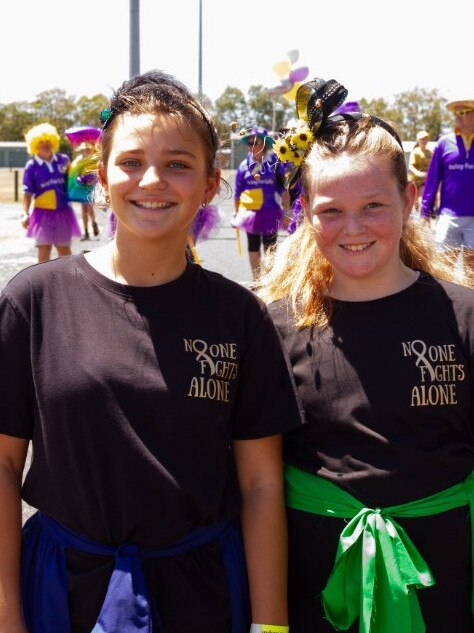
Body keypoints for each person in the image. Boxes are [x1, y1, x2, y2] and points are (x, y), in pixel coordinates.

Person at [0, 70, 304, 633]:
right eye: (132, 161)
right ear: (102, 174)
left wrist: (271, 625)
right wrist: (7, 617)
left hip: (206, 591)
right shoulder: (34, 299)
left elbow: (261, 485)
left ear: (212, 183)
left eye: (179, 164)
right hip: (61, 592)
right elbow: (2, 463)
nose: (153, 181)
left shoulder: (239, 316)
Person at [257, 77, 474, 632]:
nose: (353, 228)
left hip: (446, 583)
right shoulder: (273, 326)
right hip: (316, 591)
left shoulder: (463, 315)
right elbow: (255, 482)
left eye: (374, 205)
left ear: (408, 199)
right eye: (331, 210)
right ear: (305, 212)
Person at [421, 97, 474, 270]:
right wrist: (424, 214)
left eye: (463, 112)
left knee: (471, 272)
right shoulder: (444, 143)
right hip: (447, 216)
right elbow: (432, 180)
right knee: (444, 271)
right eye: (456, 113)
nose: (458, 117)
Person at [231, 127, 287, 280]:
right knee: (253, 246)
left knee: (270, 247)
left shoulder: (275, 163)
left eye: (255, 142)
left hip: (270, 211)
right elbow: (237, 192)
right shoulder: (243, 166)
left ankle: (270, 280)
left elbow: (283, 189)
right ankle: (256, 279)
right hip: (251, 213)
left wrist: (287, 212)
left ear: (264, 144)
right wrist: (235, 214)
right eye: (249, 143)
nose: (251, 146)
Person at [21, 123, 81, 262]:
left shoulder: (63, 160)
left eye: (48, 141)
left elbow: (73, 183)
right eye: (41, 142)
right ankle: (43, 283)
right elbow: (27, 192)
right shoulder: (31, 166)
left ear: (53, 142)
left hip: (63, 211)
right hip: (42, 214)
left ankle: (68, 281)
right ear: (35, 145)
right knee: (44, 251)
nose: (45, 145)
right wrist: (25, 213)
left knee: (64, 252)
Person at [65, 126, 102, 241]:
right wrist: (79, 179)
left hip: (89, 188)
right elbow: (73, 174)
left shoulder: (93, 159)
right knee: (84, 211)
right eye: (84, 149)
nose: (85, 151)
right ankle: (86, 232)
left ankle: (94, 225)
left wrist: (90, 178)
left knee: (89, 210)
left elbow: (97, 172)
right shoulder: (78, 161)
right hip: (81, 188)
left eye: (87, 149)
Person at [408, 130, 433, 210]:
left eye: (426, 139)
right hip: (414, 180)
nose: (424, 141)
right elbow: (410, 166)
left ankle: (422, 215)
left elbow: (433, 165)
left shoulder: (430, 152)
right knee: (414, 201)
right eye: (422, 139)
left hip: (424, 180)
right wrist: (418, 173)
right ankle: (415, 213)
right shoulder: (415, 152)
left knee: (421, 198)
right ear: (418, 140)